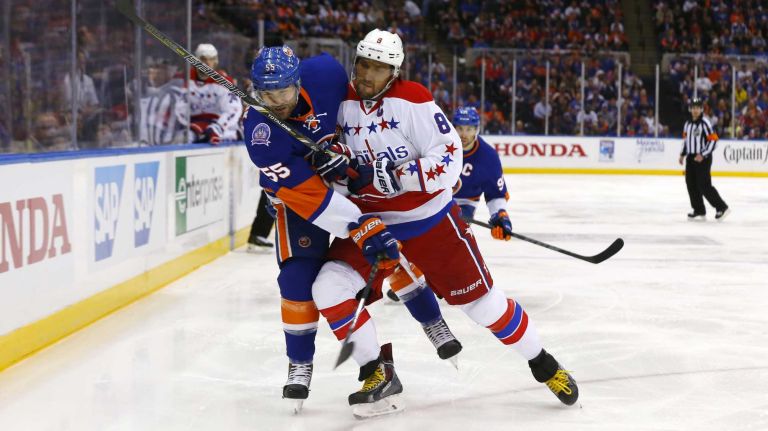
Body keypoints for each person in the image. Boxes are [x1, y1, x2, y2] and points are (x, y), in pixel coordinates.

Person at [312, 29, 578, 419]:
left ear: (394, 72)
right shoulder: (339, 103)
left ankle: (544, 363)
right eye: (363, 64)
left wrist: (396, 176)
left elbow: (450, 158)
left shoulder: (413, 100)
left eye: (379, 67)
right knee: (328, 286)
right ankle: (376, 372)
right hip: (371, 226)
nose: (367, 74)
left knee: (485, 307)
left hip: (429, 222)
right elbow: (332, 166)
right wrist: (332, 172)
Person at [243, 45, 460, 412]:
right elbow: (311, 196)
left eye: (283, 92)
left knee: (391, 252)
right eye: (267, 95)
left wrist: (351, 157)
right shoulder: (261, 135)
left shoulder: (326, 74)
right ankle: (306, 363)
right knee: (297, 281)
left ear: (298, 82)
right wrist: (359, 225)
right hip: (301, 200)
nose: (277, 102)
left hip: (352, 184)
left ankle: (432, 321)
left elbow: (362, 114)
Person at [451, 106, 513, 240]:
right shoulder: (438, 146)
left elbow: (495, 194)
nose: (464, 134)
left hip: (464, 202)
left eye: (469, 129)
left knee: (454, 234)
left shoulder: (488, 156)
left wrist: (500, 216)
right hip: (433, 199)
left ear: (476, 129)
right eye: (460, 128)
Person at [678, 97, 730, 221]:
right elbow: (686, 141)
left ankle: (722, 207)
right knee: (691, 183)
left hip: (703, 158)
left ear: (701, 109)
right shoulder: (687, 124)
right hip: (691, 158)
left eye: (698, 108)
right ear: (690, 109)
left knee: (704, 185)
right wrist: (682, 154)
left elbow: (714, 140)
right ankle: (698, 209)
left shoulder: (705, 123)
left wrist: (703, 154)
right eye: (693, 108)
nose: (695, 110)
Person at [189, 43, 242, 144]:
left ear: (215, 61)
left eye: (211, 59)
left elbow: (233, 109)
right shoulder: (185, 79)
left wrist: (218, 127)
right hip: (192, 126)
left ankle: (235, 134)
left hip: (216, 125)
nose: (208, 63)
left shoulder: (224, 82)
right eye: (204, 59)